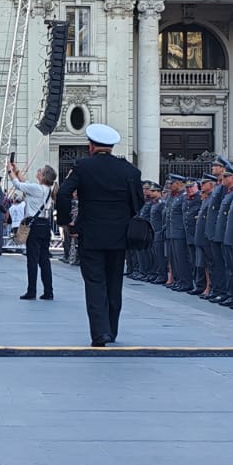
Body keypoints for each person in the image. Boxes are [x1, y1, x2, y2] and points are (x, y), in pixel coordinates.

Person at [55, 124, 142, 346]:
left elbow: (63, 193)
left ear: (91, 146)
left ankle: (100, 332)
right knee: (114, 282)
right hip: (119, 235)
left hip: (91, 234)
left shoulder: (83, 167)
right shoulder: (129, 170)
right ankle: (112, 330)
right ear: (111, 146)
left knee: (95, 283)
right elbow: (138, 202)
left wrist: (66, 222)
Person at [6, 160, 56, 300]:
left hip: (34, 226)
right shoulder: (47, 189)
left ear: (43, 176)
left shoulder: (36, 188)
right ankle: (48, 291)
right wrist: (16, 171)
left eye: (40, 170)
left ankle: (31, 290)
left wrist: (10, 171)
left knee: (32, 259)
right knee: (44, 259)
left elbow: (18, 185)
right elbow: (26, 183)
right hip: (45, 225)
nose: (38, 171)